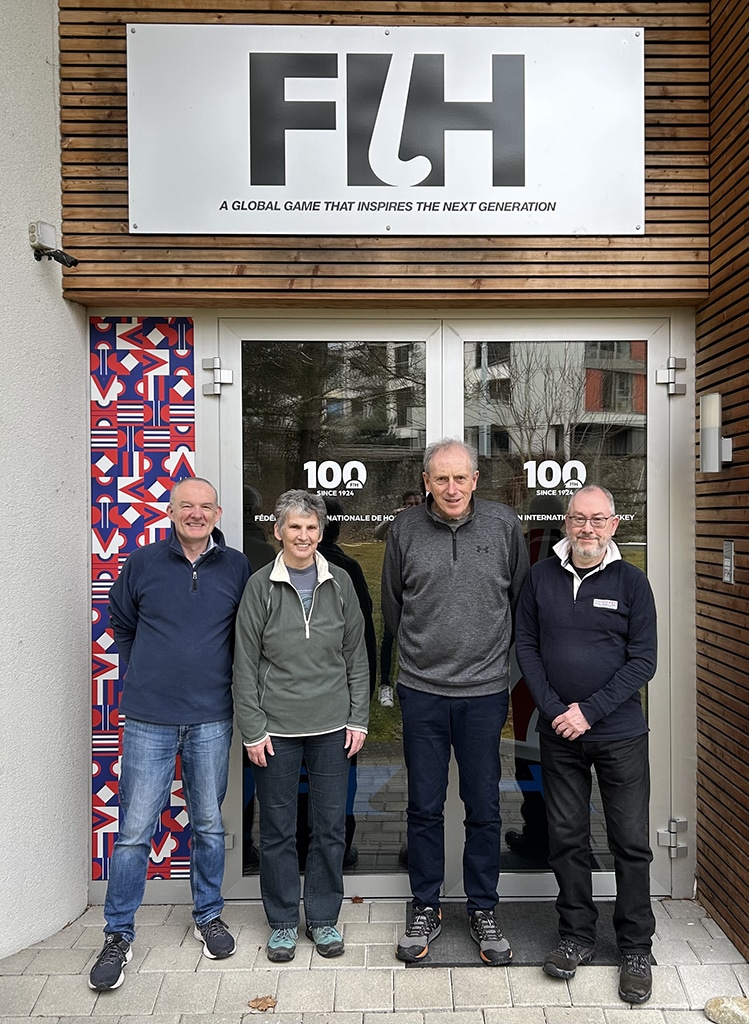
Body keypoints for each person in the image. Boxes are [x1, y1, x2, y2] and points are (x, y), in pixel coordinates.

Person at [89, 477, 251, 992]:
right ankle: (118, 933)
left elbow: (247, 633)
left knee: (206, 821)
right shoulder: (142, 563)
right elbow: (121, 621)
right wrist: (144, 673)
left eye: (205, 506)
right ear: (172, 511)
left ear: (218, 512)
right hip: (148, 717)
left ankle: (208, 916)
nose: (196, 514)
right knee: (136, 828)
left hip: (211, 715)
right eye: (187, 506)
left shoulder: (237, 567)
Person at [381, 439, 529, 966]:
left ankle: (482, 907)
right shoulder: (403, 530)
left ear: (475, 478)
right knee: (423, 806)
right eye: (440, 479)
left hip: (485, 694)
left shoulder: (504, 525)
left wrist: (498, 669)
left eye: (460, 478)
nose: (451, 489)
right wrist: (420, 661)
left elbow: (519, 604)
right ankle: (426, 904)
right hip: (422, 691)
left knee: (484, 808)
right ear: (426, 482)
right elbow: (394, 608)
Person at [514, 484, 657, 1004]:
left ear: (615, 524)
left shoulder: (632, 583)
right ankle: (575, 936)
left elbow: (644, 661)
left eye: (598, 519)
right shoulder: (540, 578)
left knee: (630, 843)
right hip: (560, 735)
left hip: (618, 735)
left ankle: (636, 946)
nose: (588, 528)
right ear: (566, 521)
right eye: (578, 518)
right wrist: (555, 710)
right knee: (566, 838)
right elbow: (525, 644)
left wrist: (588, 712)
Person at [232, 490, 370, 963]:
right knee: (278, 830)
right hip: (276, 728)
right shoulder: (259, 586)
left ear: (321, 532)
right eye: (295, 527)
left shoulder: (341, 582)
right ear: (278, 532)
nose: (304, 536)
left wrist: (359, 716)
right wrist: (252, 728)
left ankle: (325, 918)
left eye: (311, 528)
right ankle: (284, 922)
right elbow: (245, 664)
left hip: (333, 726)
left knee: (329, 827)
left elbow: (356, 654)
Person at [375, 490, 423, 708]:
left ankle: (414, 683)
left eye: (416, 504)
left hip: (420, 589)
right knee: (389, 637)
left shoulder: (426, 524)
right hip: (397, 586)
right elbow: (377, 534)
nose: (412, 508)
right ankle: (386, 685)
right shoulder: (398, 523)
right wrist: (392, 518)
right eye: (408, 505)